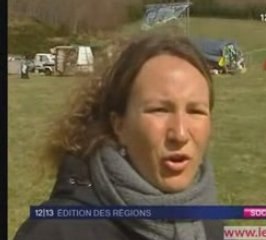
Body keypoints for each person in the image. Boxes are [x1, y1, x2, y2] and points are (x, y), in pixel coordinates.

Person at [14, 33, 224, 240]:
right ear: (119, 125)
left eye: (196, 111)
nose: (179, 134)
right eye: (159, 110)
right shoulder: (57, 231)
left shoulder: (210, 223)